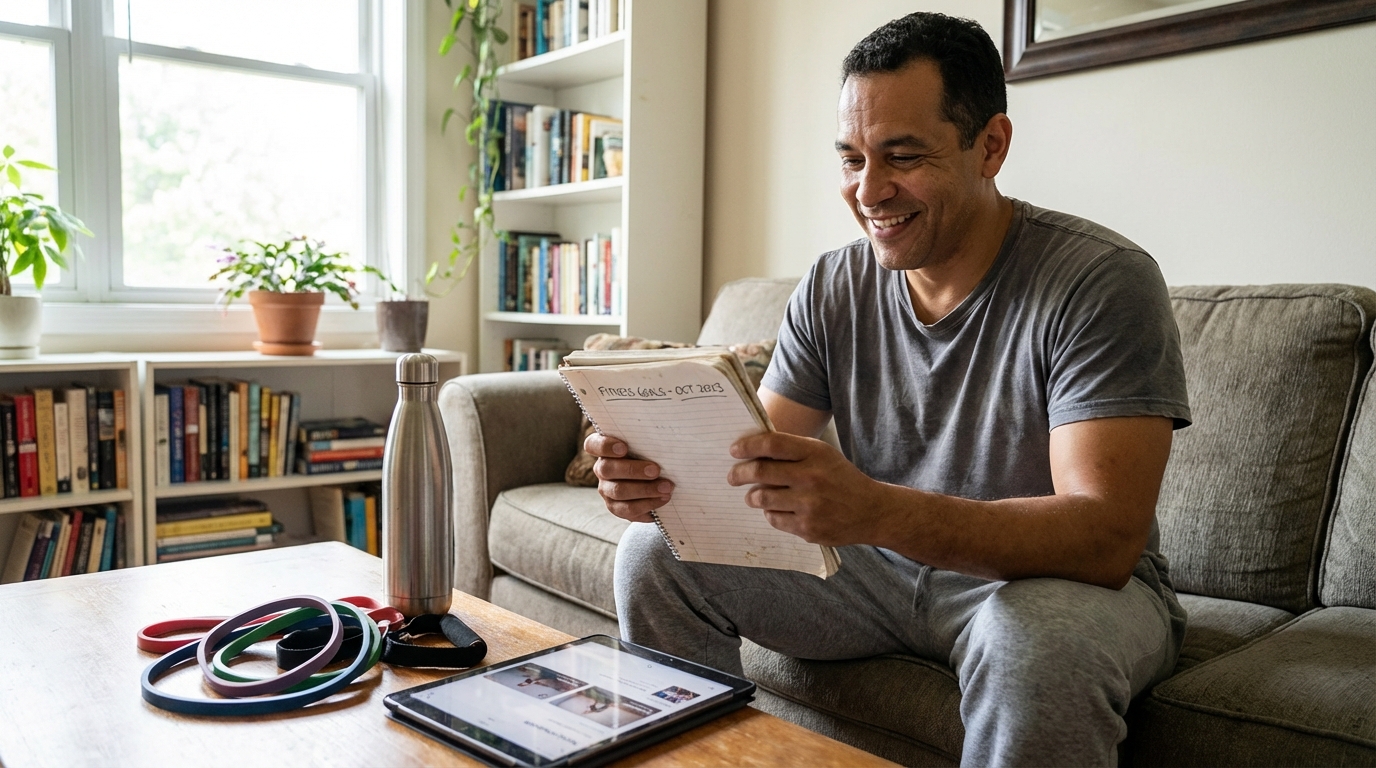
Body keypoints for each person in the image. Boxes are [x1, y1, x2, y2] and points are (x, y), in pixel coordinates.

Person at [586, 12, 1190, 767]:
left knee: (1036, 646)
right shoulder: (834, 284)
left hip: (1055, 587)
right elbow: (752, 464)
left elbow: (1103, 540)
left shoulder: (1100, 281)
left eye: (902, 156)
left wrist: (873, 509)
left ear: (990, 147)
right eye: (850, 158)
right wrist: (660, 481)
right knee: (654, 554)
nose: (868, 190)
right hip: (879, 570)